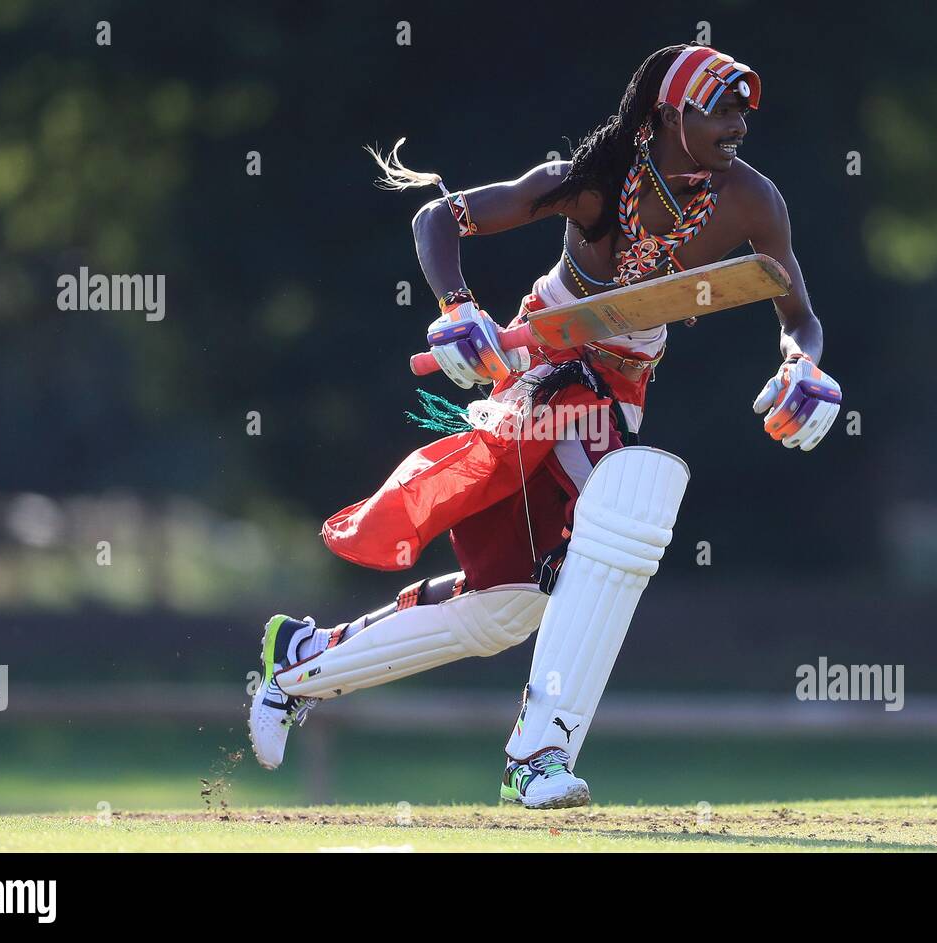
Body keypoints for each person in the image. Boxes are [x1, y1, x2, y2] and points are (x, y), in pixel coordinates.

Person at [248, 44, 843, 809]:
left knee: (506, 608)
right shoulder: (593, 182)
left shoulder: (752, 200)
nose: (738, 127)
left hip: (619, 394)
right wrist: (457, 308)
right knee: (629, 508)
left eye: (742, 113)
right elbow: (439, 219)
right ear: (669, 116)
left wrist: (806, 367)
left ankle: (301, 660)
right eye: (720, 110)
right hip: (544, 379)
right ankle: (536, 757)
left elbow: (799, 315)